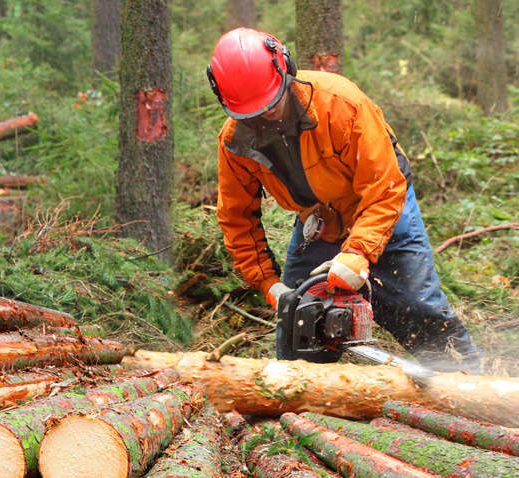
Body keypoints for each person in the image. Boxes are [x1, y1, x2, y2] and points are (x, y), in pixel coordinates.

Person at [206, 27, 484, 373]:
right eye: (253, 112)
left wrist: (357, 256)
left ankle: (471, 384)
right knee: (298, 322)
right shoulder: (235, 141)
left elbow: (384, 187)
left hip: (382, 206)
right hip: (319, 221)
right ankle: (302, 410)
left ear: (285, 68)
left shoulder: (341, 104)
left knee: (419, 308)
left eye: (272, 102)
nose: (266, 115)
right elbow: (237, 219)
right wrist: (269, 284)